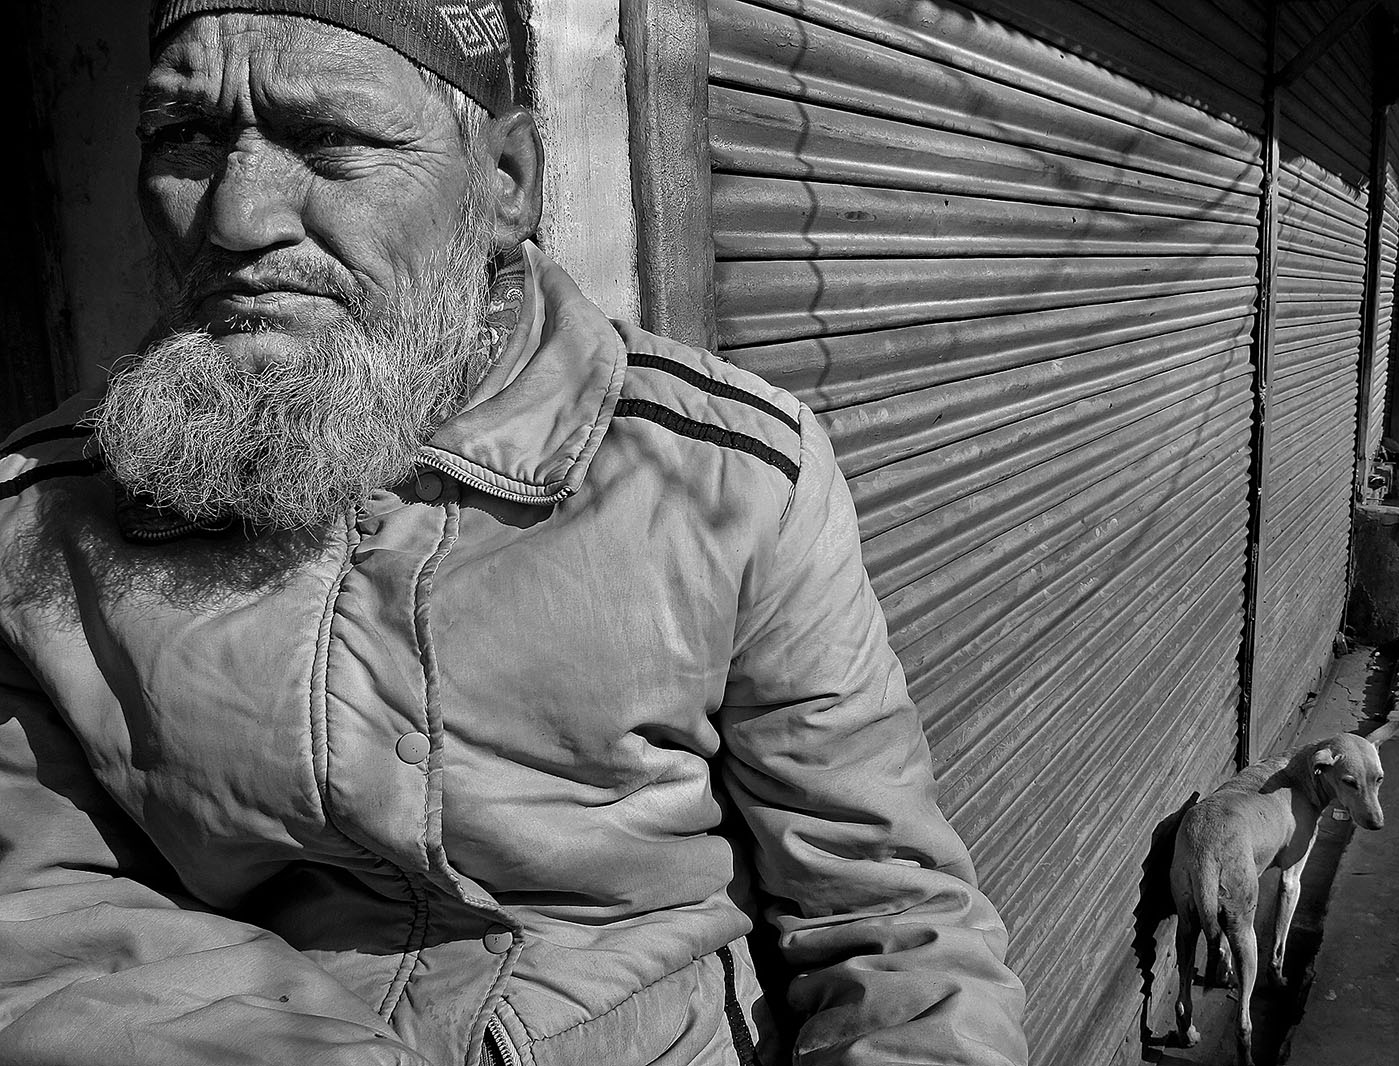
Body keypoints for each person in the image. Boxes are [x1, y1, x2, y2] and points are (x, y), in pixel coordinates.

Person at [0, 4, 1029, 1066]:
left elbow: (888, 913)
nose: (236, 216)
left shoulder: (727, 476)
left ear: (504, 182)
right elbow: (37, 914)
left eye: (327, 139)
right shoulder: (41, 513)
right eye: (182, 136)